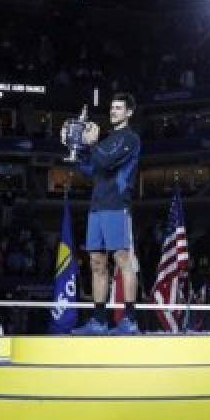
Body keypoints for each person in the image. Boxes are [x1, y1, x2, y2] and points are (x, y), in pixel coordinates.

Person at [63, 93, 142, 335]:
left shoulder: (130, 139)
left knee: (122, 261)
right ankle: (99, 321)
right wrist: (74, 146)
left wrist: (92, 143)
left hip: (117, 205)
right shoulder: (107, 141)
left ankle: (129, 320)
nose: (113, 111)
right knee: (96, 263)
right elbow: (92, 169)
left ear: (129, 112)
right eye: (112, 107)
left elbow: (106, 162)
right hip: (97, 206)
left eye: (119, 108)